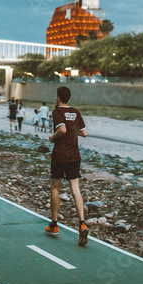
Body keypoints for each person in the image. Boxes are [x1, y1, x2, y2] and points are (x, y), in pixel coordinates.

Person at [45, 86, 89, 246]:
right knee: (76, 189)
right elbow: (84, 133)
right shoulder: (76, 112)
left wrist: (52, 137)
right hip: (74, 156)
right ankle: (82, 224)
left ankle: (54, 225)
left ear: (58, 98)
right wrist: (73, 129)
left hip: (60, 156)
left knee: (55, 188)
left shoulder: (57, 112)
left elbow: (62, 130)